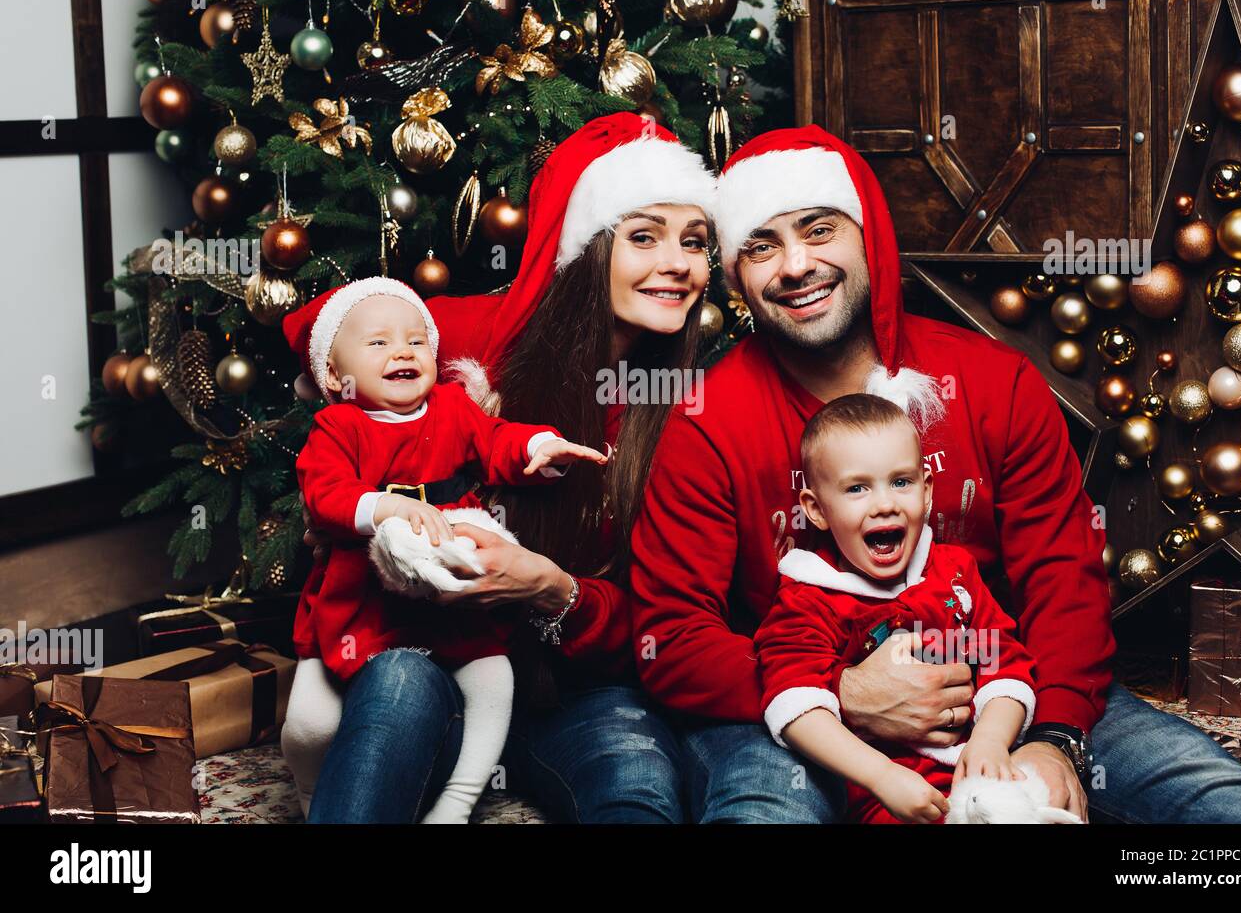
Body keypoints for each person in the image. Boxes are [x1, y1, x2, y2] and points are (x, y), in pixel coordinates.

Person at [630, 123, 1241, 823]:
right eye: (761, 247)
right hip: (800, 712)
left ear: (868, 237)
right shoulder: (705, 420)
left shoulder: (990, 381)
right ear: (736, 277)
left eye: (818, 229)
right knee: (763, 813)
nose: (795, 266)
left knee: (1232, 807)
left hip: (1002, 688)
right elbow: (671, 637)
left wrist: (1055, 734)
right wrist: (842, 692)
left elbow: (1061, 578)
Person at [290, 112, 718, 822]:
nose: (677, 262)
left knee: (638, 786)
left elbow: (667, 616)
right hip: (428, 649)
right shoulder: (475, 336)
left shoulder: (685, 407)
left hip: (574, 686)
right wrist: (364, 492)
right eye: (643, 236)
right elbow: (324, 331)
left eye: (695, 242)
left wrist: (554, 592)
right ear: (588, 245)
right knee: (395, 684)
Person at [279, 277, 605, 823]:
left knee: (493, 679)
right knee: (311, 724)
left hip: (447, 584)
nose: (403, 350)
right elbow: (325, 494)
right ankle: (313, 790)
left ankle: (456, 803)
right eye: (378, 342)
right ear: (335, 375)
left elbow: (498, 440)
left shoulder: (453, 407)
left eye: (416, 340)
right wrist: (384, 508)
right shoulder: (337, 425)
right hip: (357, 598)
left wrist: (542, 447)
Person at [756, 393, 1036, 824]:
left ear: (926, 490)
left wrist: (991, 743)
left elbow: (1005, 665)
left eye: (901, 482)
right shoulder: (807, 599)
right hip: (885, 796)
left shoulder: (955, 572)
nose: (884, 503)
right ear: (816, 509)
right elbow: (796, 706)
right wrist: (882, 777)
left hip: (978, 772)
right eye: (856, 488)